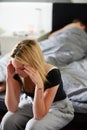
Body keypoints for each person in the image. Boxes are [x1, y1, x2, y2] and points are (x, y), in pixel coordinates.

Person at [1, 39, 74, 130]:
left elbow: (38, 116)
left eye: (21, 68)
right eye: (15, 67)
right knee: (8, 121)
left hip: (57, 107)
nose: (17, 72)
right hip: (30, 102)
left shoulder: (53, 74)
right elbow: (12, 108)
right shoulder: (16, 71)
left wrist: (39, 86)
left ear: (33, 63)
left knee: (33, 127)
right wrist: (9, 78)